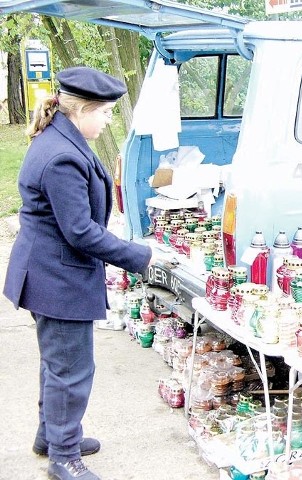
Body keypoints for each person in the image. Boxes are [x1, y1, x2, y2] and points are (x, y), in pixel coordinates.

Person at [3, 66, 156, 480]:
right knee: (71, 370)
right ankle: (63, 457)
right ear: (82, 110)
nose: (108, 120)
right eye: (105, 113)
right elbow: (80, 232)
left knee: (57, 364)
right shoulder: (62, 156)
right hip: (56, 277)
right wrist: (139, 256)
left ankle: (49, 436)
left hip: (48, 270)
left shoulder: (60, 137)